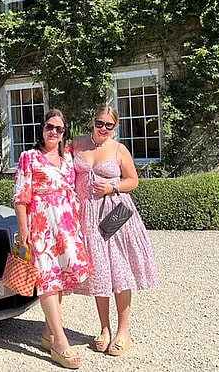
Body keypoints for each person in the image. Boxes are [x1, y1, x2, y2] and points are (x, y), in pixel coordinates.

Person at [69, 105, 159, 357]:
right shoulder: (77, 145)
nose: (103, 128)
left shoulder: (119, 149)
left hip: (115, 215)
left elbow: (133, 180)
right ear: (93, 121)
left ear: (115, 126)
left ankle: (123, 331)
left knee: (120, 271)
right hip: (86, 215)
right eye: (100, 123)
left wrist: (112, 188)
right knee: (99, 272)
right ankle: (104, 328)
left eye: (109, 125)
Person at [13, 109, 93, 369]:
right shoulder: (29, 157)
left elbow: (92, 144)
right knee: (47, 278)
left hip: (67, 225)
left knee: (59, 277)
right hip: (41, 224)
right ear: (42, 128)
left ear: (64, 133)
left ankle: (48, 333)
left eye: (59, 129)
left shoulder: (68, 156)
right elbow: (21, 197)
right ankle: (60, 341)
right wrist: (23, 228)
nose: (54, 132)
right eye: (50, 127)